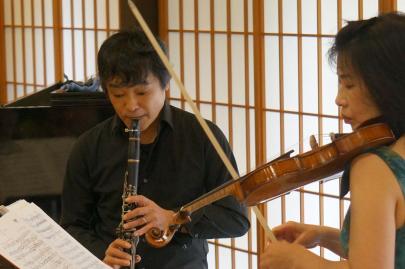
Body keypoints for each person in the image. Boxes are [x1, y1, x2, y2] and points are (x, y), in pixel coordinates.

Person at [60, 29, 250, 269]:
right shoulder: (88, 147)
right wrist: (100, 253)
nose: (131, 106)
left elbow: (236, 219)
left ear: (166, 82)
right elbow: (72, 226)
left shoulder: (203, 137)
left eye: (142, 92)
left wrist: (174, 219)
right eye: (118, 94)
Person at [259, 12, 405, 269]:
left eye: (348, 85)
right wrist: (325, 236)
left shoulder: (376, 167)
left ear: (386, 84)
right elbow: (393, 247)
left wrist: (297, 260)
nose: (339, 98)